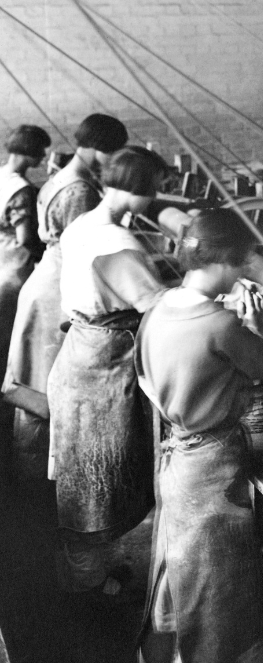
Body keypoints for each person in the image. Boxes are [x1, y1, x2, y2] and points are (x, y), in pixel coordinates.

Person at [136, 207, 263, 662]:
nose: (244, 272)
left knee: (186, 570)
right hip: (212, 465)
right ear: (224, 261)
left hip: (178, 456)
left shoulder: (160, 306)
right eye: (242, 263)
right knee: (221, 584)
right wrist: (254, 327)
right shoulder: (221, 324)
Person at [46, 145, 166, 596]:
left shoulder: (86, 224)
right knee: (99, 483)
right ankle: (88, 593)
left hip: (81, 351)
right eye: (153, 190)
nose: (155, 200)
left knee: (84, 479)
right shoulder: (117, 242)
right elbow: (154, 305)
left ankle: (87, 575)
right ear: (140, 188)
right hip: (102, 369)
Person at [3, 114, 127, 484]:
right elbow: (84, 252)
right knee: (46, 388)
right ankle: (39, 480)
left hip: (41, 282)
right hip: (57, 288)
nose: (111, 160)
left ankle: (29, 475)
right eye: (110, 152)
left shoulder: (60, 178)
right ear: (94, 148)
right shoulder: (81, 192)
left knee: (32, 382)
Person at [0, 125, 51, 483]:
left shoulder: (1, 177)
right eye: (41, 152)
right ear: (31, 153)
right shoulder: (21, 190)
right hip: (14, 272)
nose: (43, 159)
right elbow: (25, 239)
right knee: (13, 348)